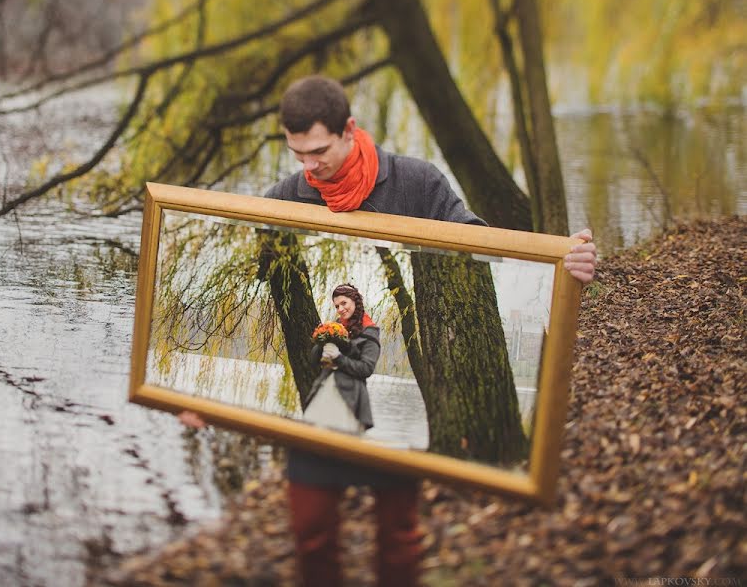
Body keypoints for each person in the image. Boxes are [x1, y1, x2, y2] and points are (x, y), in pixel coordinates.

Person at [183, 75, 598, 586]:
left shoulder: (416, 183)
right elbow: (255, 290)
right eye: (297, 155)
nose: (309, 168)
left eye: (318, 152)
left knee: (398, 542)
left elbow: (480, 246)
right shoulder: (282, 200)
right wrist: (194, 394)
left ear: (349, 130)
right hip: (317, 413)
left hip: (386, 428)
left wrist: (560, 258)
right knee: (312, 536)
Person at [302, 284, 378, 436]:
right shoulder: (336, 327)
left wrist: (338, 358)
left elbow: (366, 369)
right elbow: (314, 360)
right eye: (337, 306)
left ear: (355, 301)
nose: (340, 309)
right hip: (324, 388)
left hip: (350, 395)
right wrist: (323, 339)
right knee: (311, 436)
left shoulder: (370, 331)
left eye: (344, 303)